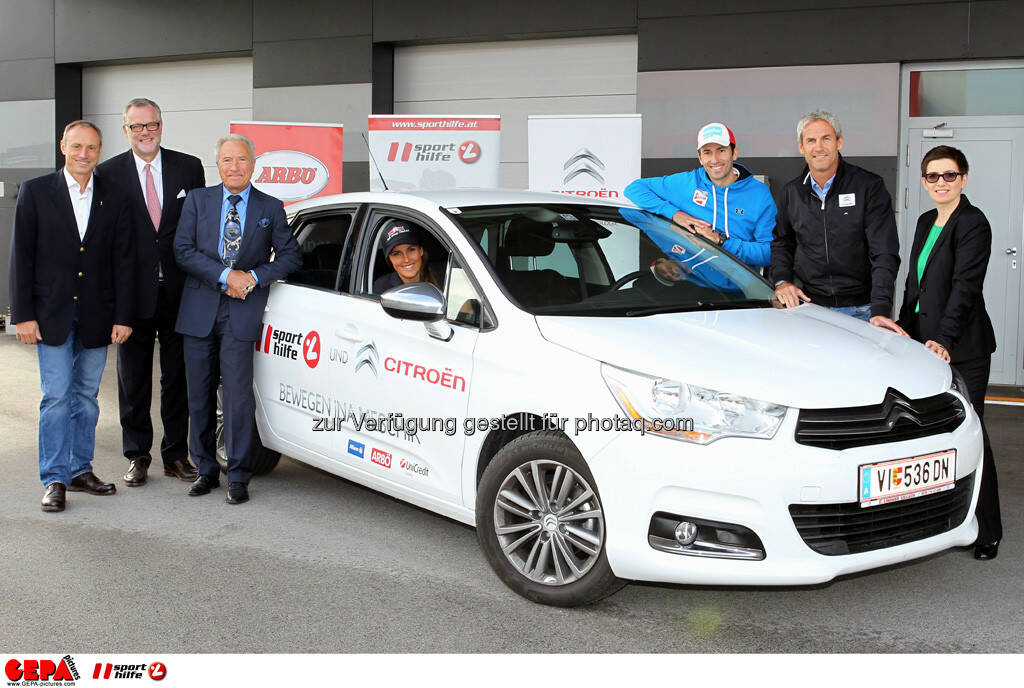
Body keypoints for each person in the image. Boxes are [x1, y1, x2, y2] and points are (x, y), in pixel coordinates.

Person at [8, 120, 134, 512]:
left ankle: (80, 469)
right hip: (51, 314)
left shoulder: (114, 195)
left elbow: (124, 261)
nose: (84, 154)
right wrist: (23, 315)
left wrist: (124, 315)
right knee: (57, 396)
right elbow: (21, 257)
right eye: (77, 146)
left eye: (92, 147)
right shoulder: (37, 191)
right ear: (64, 146)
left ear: (99, 151)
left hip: (99, 314)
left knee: (87, 397)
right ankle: (54, 478)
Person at [174, 134, 301, 504]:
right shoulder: (198, 201)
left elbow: (291, 256)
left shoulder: (271, 206)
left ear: (253, 164)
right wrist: (224, 276)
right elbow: (182, 250)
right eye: (227, 160)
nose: (234, 166)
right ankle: (205, 470)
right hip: (199, 309)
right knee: (198, 393)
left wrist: (254, 278)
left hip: (243, 311)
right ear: (218, 164)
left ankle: (239, 475)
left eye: (241, 160)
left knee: (238, 396)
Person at [896, 145, 1002, 560]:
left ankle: (987, 529)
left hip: (962, 348)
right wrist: (903, 327)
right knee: (922, 438)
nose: (941, 183)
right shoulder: (925, 221)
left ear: (964, 178)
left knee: (973, 434)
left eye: (949, 175)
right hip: (923, 344)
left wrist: (944, 339)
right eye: (933, 176)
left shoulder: (974, 224)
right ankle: (936, 520)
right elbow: (914, 282)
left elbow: (965, 287)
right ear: (923, 182)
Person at [96, 98, 206, 487]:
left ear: (162, 125)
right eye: (136, 126)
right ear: (124, 130)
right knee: (133, 378)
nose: (145, 132)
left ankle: (176, 455)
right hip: (131, 295)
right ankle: (137, 454)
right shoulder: (107, 174)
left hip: (180, 292)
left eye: (151, 124)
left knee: (178, 377)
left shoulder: (188, 167)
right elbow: (105, 239)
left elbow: (198, 227)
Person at [771, 109, 905, 334]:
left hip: (863, 311)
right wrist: (782, 281)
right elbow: (782, 243)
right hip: (811, 309)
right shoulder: (791, 192)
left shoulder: (868, 186)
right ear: (801, 147)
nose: (819, 147)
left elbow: (885, 251)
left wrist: (881, 307)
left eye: (826, 138)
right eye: (811, 140)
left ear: (839, 142)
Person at [625, 122, 776, 268]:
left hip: (740, 289)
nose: (715, 159)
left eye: (721, 150)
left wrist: (720, 241)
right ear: (700, 158)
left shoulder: (758, 193)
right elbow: (634, 189)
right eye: (707, 152)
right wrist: (675, 214)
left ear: (734, 153)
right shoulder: (687, 182)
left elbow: (770, 254)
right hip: (689, 284)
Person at [372, 220, 441, 294]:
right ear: (389, 259)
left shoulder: (442, 275)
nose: (406, 259)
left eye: (411, 250)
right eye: (397, 253)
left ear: (421, 251)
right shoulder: (383, 288)